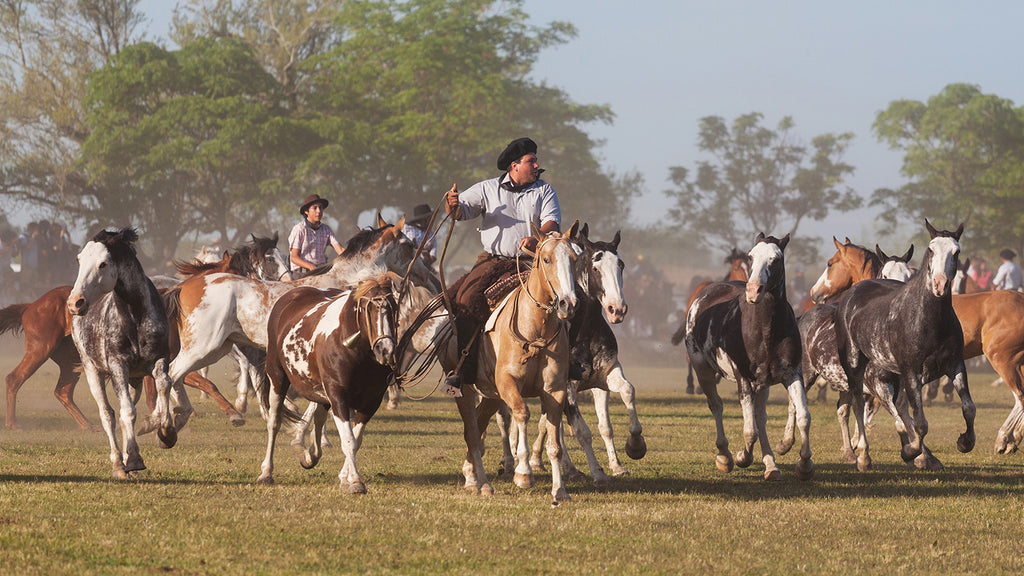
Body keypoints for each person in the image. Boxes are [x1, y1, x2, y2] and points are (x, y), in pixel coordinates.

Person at [442, 137, 561, 396]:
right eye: (531, 161)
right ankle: (464, 369)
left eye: (535, 159)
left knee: (569, 295)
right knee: (465, 298)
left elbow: (552, 221)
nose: (537, 165)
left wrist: (538, 237)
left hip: (534, 262)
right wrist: (452, 205)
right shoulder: (486, 189)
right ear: (514, 165)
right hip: (493, 261)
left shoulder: (545, 190)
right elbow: (462, 211)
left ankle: (571, 361)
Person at [288, 193, 344, 279]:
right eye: (315, 208)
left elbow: (340, 249)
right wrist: (310, 266)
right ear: (306, 212)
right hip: (301, 275)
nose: (319, 211)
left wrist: (354, 256)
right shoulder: (300, 229)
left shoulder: (326, 229)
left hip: (320, 273)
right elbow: (294, 257)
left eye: (320, 208)